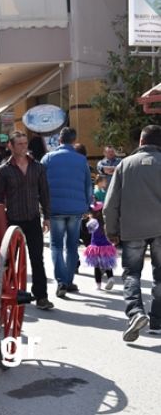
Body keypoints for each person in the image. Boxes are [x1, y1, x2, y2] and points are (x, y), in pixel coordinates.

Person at [103, 124, 161, 341]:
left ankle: (136, 312)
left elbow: (110, 204)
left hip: (132, 228)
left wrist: (112, 230)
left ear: (141, 142)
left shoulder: (124, 165)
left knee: (132, 273)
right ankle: (157, 320)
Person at [0, 131, 54, 310]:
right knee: (11, 261)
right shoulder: (4, 170)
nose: (23, 147)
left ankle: (41, 296)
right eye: (19, 144)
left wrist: (47, 217)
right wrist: (0, 220)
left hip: (33, 218)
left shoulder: (37, 167)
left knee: (37, 258)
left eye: (25, 143)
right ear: (10, 146)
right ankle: (11, 295)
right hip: (13, 221)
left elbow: (45, 193)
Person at [41, 127, 92, 299]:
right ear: (74, 140)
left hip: (54, 208)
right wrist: (87, 205)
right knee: (72, 245)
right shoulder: (81, 160)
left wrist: (42, 207)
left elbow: (40, 183)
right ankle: (69, 281)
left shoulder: (48, 158)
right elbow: (88, 185)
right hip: (76, 209)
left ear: (59, 140)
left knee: (55, 245)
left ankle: (61, 280)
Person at [83, 201, 116, 290]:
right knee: (107, 264)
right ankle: (110, 278)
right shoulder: (106, 221)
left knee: (97, 266)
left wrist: (88, 219)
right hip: (107, 246)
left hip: (96, 247)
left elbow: (88, 229)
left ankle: (98, 285)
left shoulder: (93, 222)